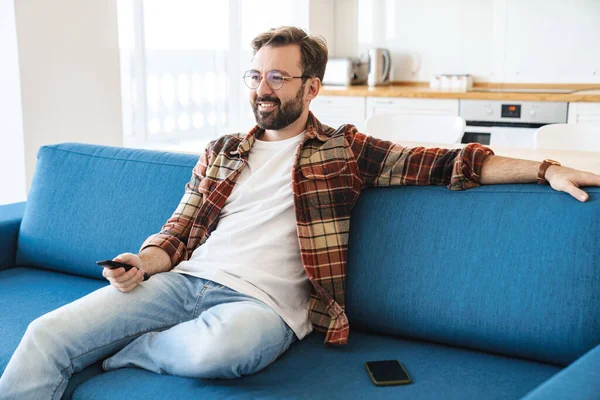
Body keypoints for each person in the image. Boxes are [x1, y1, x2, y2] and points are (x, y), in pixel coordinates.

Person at [1, 26, 599, 400]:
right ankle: (121, 334)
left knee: (220, 354)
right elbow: (181, 228)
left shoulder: (344, 150)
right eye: (256, 75)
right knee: (44, 333)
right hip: (182, 283)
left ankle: (126, 349)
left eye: (278, 78)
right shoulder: (222, 151)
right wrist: (144, 260)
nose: (263, 88)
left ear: (311, 88)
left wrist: (545, 168)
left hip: (265, 306)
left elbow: (452, 163)